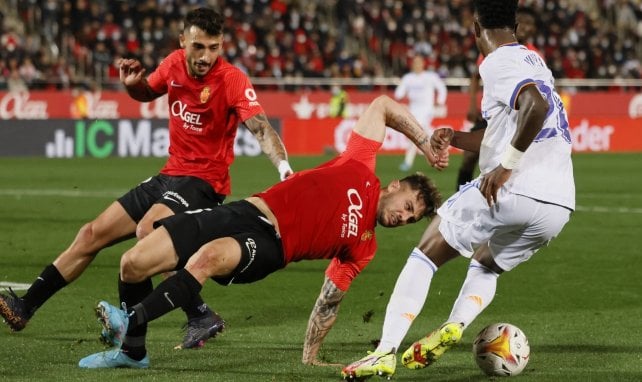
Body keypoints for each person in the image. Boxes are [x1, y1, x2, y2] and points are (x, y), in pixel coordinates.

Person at [75, 95, 446, 369]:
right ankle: (133, 352)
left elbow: (329, 300)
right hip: (245, 210)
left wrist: (310, 357)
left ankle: (130, 321)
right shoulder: (360, 165)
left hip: (270, 246)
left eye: (412, 220)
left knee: (208, 257)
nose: (405, 218)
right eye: (409, 206)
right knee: (133, 263)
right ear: (395, 186)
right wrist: (426, 143)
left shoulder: (365, 247)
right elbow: (382, 105)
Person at [0, 7, 293, 350]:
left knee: (147, 231)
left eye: (214, 47)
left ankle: (166, 323)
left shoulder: (231, 80)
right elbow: (147, 91)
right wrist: (133, 85)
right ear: (183, 41)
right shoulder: (171, 64)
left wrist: (284, 168)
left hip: (203, 183)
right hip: (168, 176)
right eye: (198, 46)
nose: (206, 56)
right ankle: (25, 305)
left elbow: (260, 128)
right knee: (92, 233)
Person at [342, 0, 575, 379]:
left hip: (514, 188)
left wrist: (505, 167)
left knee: (425, 255)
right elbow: (515, 124)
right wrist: (458, 139)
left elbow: (535, 106)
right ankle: (456, 324)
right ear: (515, 25)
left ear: (474, 26)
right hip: (557, 204)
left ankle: (384, 352)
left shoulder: (499, 61)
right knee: (486, 263)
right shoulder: (535, 62)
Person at [457, 6, 539, 190]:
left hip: (516, 117)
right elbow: (476, 77)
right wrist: (471, 105)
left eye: (530, 24)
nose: (526, 27)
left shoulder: (534, 55)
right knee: (469, 158)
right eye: (523, 22)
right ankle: (459, 193)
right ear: (515, 27)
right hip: (492, 113)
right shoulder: (493, 47)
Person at [395, 55, 447, 172]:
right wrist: (401, 91)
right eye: (415, 63)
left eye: (419, 62)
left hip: (427, 110)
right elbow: (399, 93)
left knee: (416, 134)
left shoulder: (430, 77)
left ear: (423, 64)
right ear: (412, 64)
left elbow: (442, 88)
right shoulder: (408, 78)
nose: (417, 65)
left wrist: (440, 101)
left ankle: (409, 162)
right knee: (421, 135)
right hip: (413, 111)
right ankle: (441, 153)